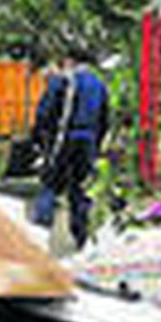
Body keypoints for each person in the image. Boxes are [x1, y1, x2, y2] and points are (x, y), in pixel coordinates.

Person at [29, 49, 110, 248]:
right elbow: (105, 119)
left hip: (63, 140)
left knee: (50, 184)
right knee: (80, 190)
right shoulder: (99, 85)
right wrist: (96, 145)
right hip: (87, 142)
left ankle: (36, 239)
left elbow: (44, 112)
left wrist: (38, 138)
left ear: (70, 61)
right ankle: (81, 240)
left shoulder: (63, 80)